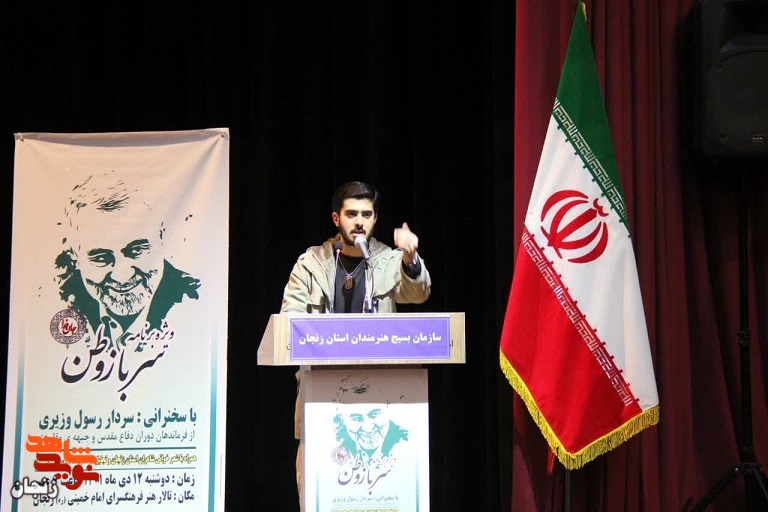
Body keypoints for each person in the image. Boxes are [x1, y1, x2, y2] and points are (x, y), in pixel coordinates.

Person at [280, 180, 431, 508]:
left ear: (375, 219)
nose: (359, 222)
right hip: (322, 401)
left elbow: (418, 293)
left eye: (366, 214)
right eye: (351, 214)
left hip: (381, 401)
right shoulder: (311, 263)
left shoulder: (389, 260)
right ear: (337, 218)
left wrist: (410, 258)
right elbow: (288, 324)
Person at [54, 171, 201, 397]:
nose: (122, 276)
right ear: (75, 256)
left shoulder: (197, 302)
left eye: (137, 251)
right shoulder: (53, 300)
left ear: (163, 237)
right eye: (101, 258)